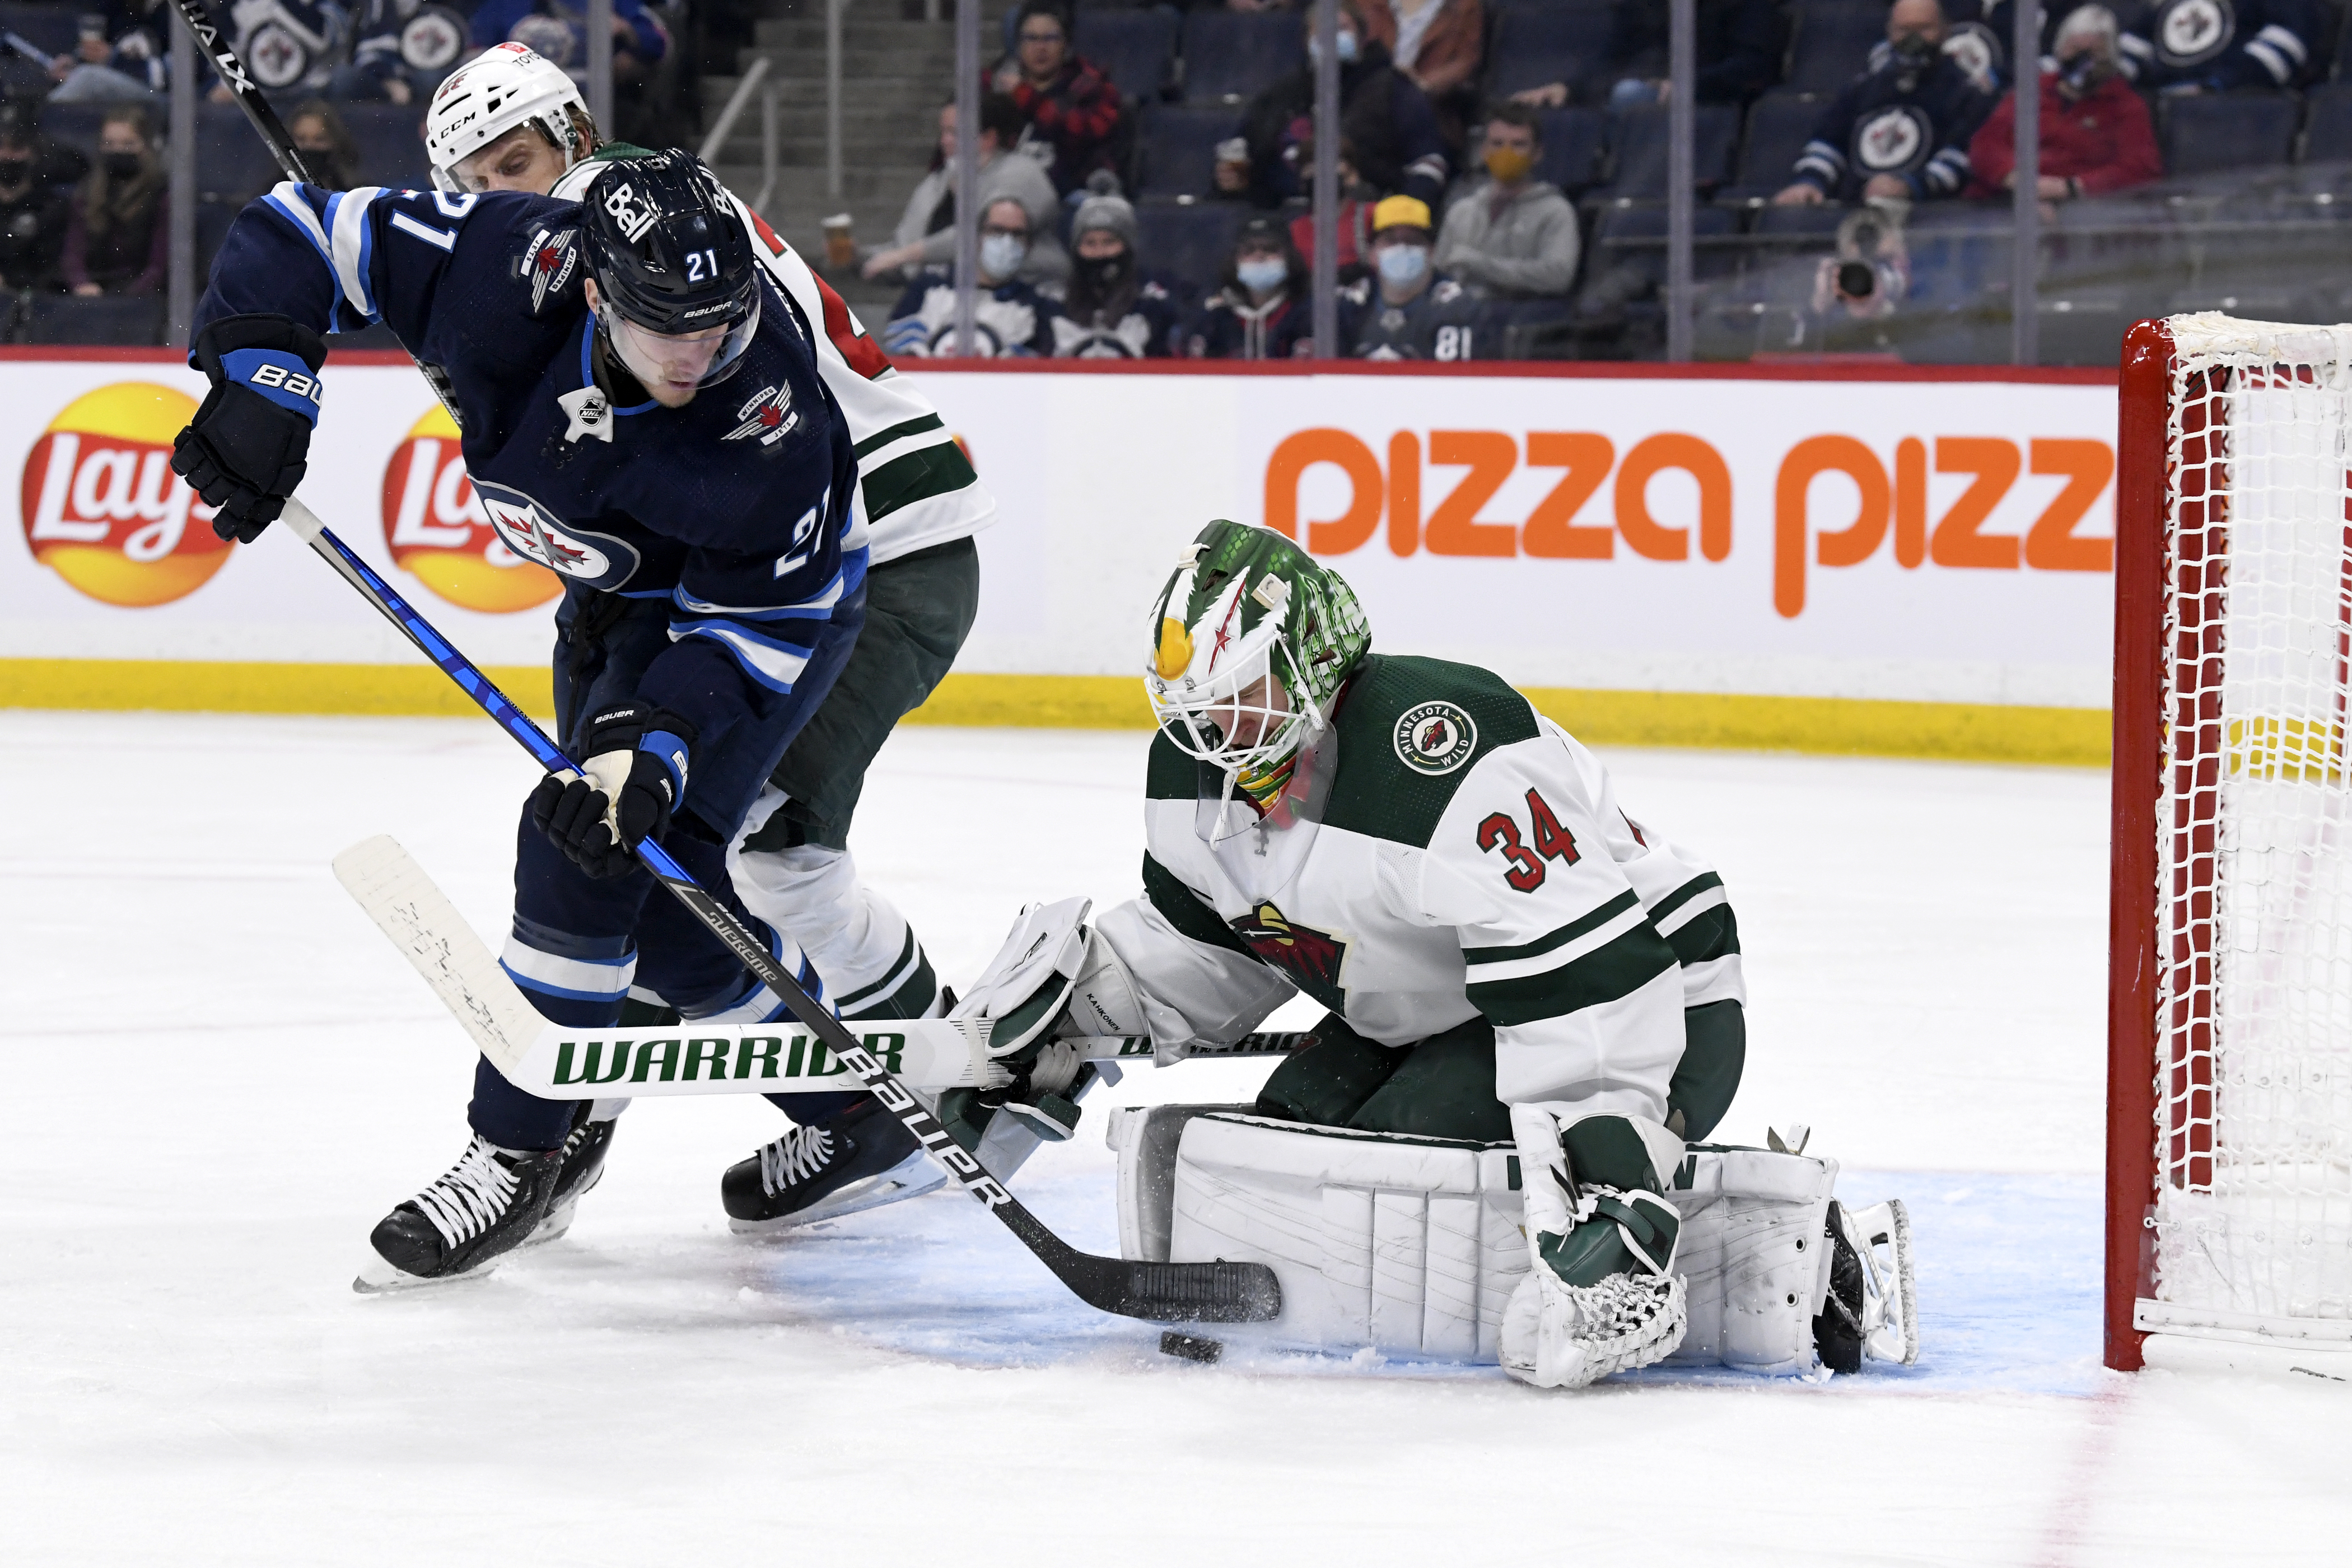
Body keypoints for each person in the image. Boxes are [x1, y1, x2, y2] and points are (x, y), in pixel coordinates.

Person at [176, 149, 871, 1287]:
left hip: (734, 622)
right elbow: (306, 228)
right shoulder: (506, 262)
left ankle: (515, 1153)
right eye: (665, 327)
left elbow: (755, 628)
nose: (699, 352)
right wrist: (263, 379)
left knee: (583, 850)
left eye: (718, 320)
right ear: (593, 290)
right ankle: (853, 1099)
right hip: (611, 601)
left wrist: (653, 743)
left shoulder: (768, 427)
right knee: (657, 913)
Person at [941, 520, 1751, 1388]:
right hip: (1435, 1002)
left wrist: (1610, 1176)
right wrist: (1084, 1007)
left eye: (1242, 692)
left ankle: (1718, 1251)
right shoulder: (1199, 774)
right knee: (1283, 1151)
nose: (1214, 730)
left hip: (1654, 992)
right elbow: (1224, 943)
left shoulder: (1440, 753)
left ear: (1311, 663)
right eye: (1195, 706)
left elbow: (1583, 977)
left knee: (1392, 1167)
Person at [421, 41, 994, 1237]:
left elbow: (728, 419)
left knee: (755, 855)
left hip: (871, 554)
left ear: (576, 137)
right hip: (711, 573)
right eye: (474, 186)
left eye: (517, 163)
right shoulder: (578, 239)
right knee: (626, 838)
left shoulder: (629, 216)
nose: (505, 201)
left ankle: (934, 1093)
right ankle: (597, 1107)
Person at [1774, 0, 1994, 207]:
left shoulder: (1965, 93)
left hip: (1924, 214)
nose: (1913, 40)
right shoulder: (1864, 88)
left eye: (1924, 29)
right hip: (1852, 210)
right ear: (1889, 33)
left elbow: (1961, 158)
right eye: (1904, 30)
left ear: (1945, 33)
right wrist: (1810, 182)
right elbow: (1828, 143)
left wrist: (1909, 186)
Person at [1239, 0, 1449, 208]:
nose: (1330, 37)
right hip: (1286, 219)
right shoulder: (1282, 93)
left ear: (1362, 36)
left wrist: (1402, 214)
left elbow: (1428, 163)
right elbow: (1246, 154)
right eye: (1322, 31)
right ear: (1307, 41)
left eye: (1341, 29)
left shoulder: (1394, 89)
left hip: (1370, 214)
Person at [864, 95, 1069, 288]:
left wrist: (906, 255)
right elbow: (898, 251)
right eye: (943, 132)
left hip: (1024, 291)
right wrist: (856, 256)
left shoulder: (1022, 175)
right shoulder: (937, 183)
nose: (944, 141)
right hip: (939, 297)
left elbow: (981, 235)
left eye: (955, 133)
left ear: (988, 138)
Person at [1967, 6, 2160, 204]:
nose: (2084, 62)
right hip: (2007, 201)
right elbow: (1985, 144)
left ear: (2110, 57)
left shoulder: (2126, 105)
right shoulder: (2030, 92)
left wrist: (2070, 187)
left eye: (2094, 53)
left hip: (2083, 208)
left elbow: (2141, 168)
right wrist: (2019, 181)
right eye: (2076, 50)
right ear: (2060, 49)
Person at [1432, 102, 1579, 302]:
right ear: (1484, 151)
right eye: (1498, 144)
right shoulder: (1461, 211)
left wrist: (1481, 264)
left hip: (1519, 319)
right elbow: (1439, 273)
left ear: (1537, 153)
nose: (1506, 153)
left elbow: (1559, 276)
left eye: (1518, 144)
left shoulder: (1556, 211)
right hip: (1460, 318)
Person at [883, 196, 1059, 358]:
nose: (1007, 241)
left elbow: (1041, 362)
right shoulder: (930, 285)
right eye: (997, 230)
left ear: (1029, 245)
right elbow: (897, 339)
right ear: (976, 237)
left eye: (1017, 234)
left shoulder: (1037, 305)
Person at [990, 1, 1124, 198]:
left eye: (1050, 38)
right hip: (1003, 197)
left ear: (1066, 43)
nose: (1040, 47)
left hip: (1073, 195)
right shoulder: (993, 85)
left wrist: (1026, 97)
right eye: (1031, 38)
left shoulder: (1093, 85)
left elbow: (1083, 135)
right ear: (1018, 44)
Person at [1335, 193, 1483, 360]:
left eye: (1413, 241)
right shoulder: (1348, 306)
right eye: (1391, 240)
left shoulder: (1457, 307)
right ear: (1372, 253)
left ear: (1431, 252)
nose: (1402, 248)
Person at [1050, 182, 1182, 357]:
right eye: (1090, 243)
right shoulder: (1053, 305)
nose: (1100, 252)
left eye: (1109, 242)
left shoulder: (1153, 306)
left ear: (1128, 247)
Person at [1599, 0, 1784, 109]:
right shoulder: (1649, 6)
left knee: (1628, 94)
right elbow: (1612, 57)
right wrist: (1574, 89)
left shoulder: (1749, 5)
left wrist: (1687, 85)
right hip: (1655, 90)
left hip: (1712, 103)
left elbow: (1752, 65)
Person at [62, 105, 166, 297]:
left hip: (140, 299)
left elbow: (158, 268)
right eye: (109, 144)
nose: (118, 151)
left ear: (147, 146)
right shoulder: (88, 191)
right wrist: (81, 284)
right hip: (92, 294)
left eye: (128, 144)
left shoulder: (161, 194)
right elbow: (73, 254)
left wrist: (123, 298)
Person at [2118, 0, 2319, 93]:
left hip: (2235, 113)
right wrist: (2112, 76)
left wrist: (2215, 86)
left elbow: (2286, 44)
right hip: (2157, 106)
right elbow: (2138, 41)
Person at [1186, 213, 1311, 360]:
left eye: (1270, 249)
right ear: (1235, 259)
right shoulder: (1215, 316)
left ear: (1290, 257)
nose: (1259, 256)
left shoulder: (1309, 313)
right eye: (1249, 250)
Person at [0, 116, 71, 293]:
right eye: (1, 148)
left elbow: (53, 270)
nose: (7, 156)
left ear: (33, 154)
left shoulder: (51, 207)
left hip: (36, 302)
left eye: (16, 149)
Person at [46, 1, 168, 104]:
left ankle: (40, 123)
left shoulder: (174, 13)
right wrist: (76, 61)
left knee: (88, 78)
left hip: (164, 100)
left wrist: (113, 58)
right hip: (117, 87)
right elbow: (101, 46)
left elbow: (165, 76)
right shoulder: (119, 6)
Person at [287, 100, 363, 190]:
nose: (309, 146)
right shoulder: (273, 196)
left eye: (319, 140)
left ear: (335, 142)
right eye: (301, 139)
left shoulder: (358, 195)